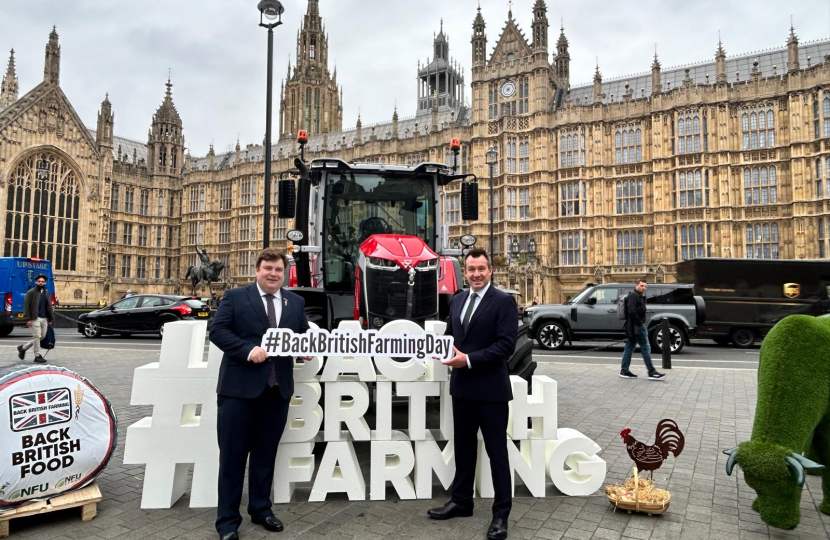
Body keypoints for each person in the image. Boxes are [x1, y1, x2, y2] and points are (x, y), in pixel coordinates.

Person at [209, 248, 311, 540]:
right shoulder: (236, 297)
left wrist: (305, 350)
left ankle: (261, 509)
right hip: (238, 392)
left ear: (284, 273)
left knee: (266, 456)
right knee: (232, 458)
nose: (273, 274)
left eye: (278, 270)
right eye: (267, 268)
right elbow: (218, 331)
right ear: (257, 270)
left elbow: (302, 335)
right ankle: (227, 522)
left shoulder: (296, 301)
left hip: (277, 391)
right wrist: (248, 350)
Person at [427, 249, 517, 540]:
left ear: (490, 270)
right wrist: (424, 347)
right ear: (464, 272)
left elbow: (506, 346)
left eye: (481, 268)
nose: (476, 274)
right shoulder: (457, 300)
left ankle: (501, 514)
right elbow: (450, 339)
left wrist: (467, 360)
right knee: (464, 449)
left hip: (491, 391)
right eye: (471, 269)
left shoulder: (504, 301)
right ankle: (461, 501)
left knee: (496, 453)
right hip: (463, 389)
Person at [620, 279, 666, 381]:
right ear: (636, 285)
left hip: (634, 325)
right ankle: (651, 372)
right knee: (645, 348)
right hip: (636, 326)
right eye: (641, 285)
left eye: (645, 286)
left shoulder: (639, 296)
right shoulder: (633, 296)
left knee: (629, 347)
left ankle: (624, 371)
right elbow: (632, 311)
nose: (643, 288)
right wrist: (640, 324)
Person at [17, 274, 53, 364]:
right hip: (34, 317)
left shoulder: (47, 292)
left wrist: (50, 318)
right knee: (37, 336)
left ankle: (23, 348)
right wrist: (28, 319)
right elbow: (26, 306)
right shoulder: (31, 292)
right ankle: (37, 355)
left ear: (45, 282)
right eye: (39, 281)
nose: (41, 283)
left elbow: (48, 306)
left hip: (44, 317)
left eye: (42, 281)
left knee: (42, 336)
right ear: (36, 282)